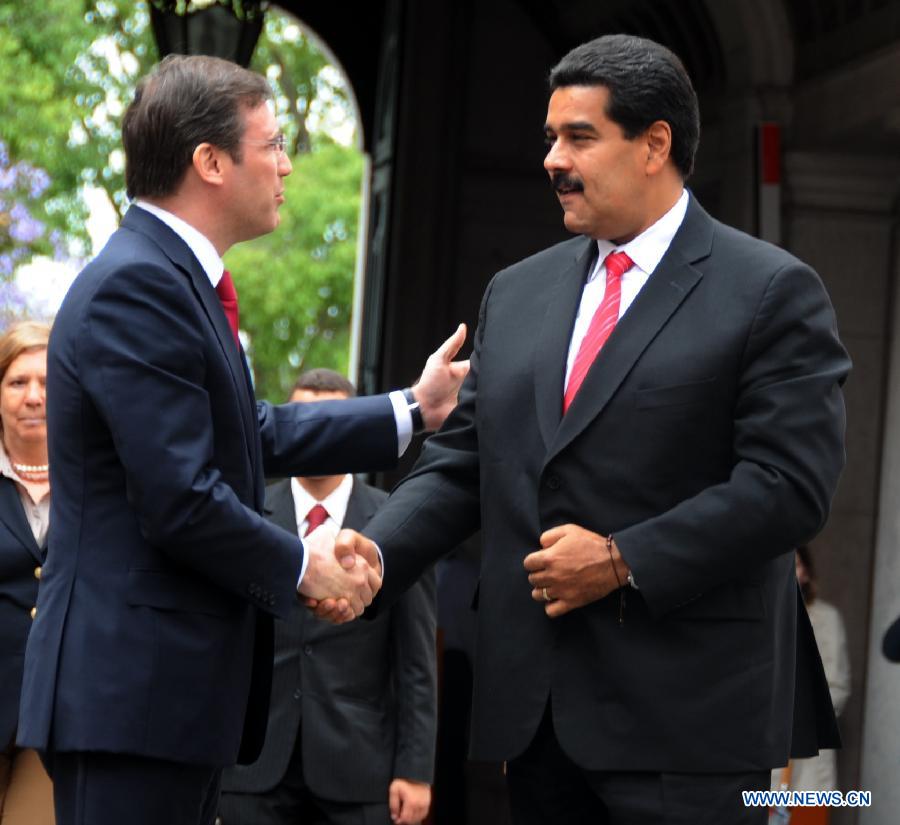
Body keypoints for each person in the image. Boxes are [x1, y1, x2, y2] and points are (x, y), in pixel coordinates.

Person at [324, 34, 851, 824]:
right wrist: (376, 550)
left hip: (692, 724)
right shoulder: (518, 292)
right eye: (549, 138)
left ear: (655, 145)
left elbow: (789, 488)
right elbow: (466, 460)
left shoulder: (771, 291)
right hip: (537, 721)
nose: (552, 159)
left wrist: (621, 559)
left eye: (579, 136)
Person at [16, 55, 466, 825]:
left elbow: (251, 431)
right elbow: (180, 499)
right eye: (274, 144)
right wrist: (303, 563)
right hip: (132, 696)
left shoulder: (174, 279)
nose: (288, 165)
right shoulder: (141, 285)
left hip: (164, 698)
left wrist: (410, 410)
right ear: (210, 161)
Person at [218, 368, 436, 825]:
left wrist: (415, 770)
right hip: (252, 767)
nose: (316, 433)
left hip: (357, 767)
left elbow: (416, 659)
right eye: (303, 420)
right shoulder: (244, 512)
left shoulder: (393, 520)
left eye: (331, 421)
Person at [0, 322, 53, 825]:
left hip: (57, 718)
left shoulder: (97, 479)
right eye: (18, 383)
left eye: (47, 381)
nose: (34, 396)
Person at [770, 546, 850, 822]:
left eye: (796, 565)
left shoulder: (826, 618)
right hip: (763, 753)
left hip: (809, 760)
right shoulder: (762, 618)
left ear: (806, 572)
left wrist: (800, 712)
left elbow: (837, 687)